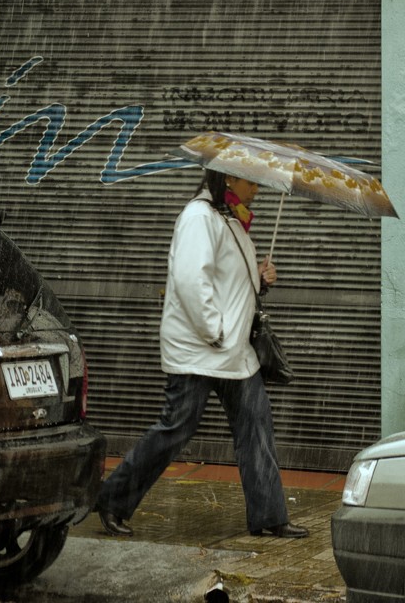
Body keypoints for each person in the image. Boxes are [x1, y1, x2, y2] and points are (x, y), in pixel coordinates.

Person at [94, 168, 308, 539]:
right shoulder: (199, 217)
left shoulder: (229, 219)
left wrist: (259, 278)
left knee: (256, 426)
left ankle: (270, 516)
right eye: (251, 181)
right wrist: (216, 331)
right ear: (228, 180)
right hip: (200, 350)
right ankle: (112, 500)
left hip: (234, 354)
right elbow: (192, 281)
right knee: (176, 428)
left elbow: (225, 280)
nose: (257, 188)